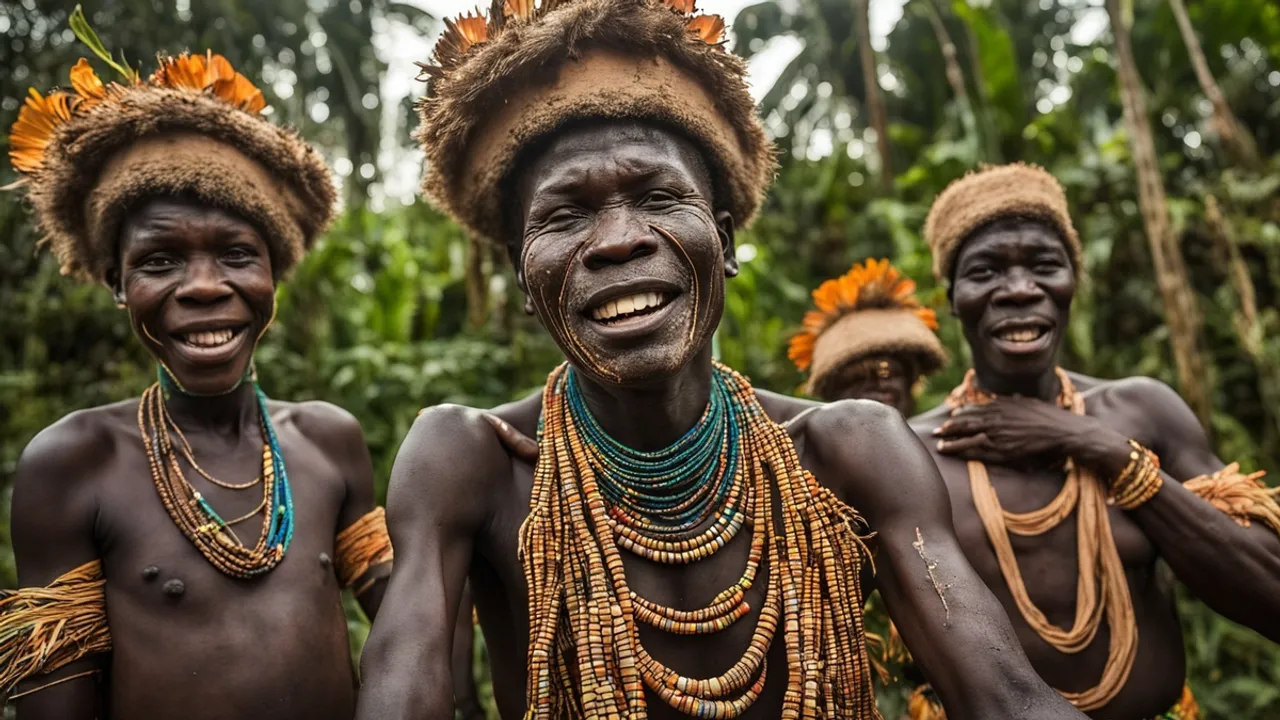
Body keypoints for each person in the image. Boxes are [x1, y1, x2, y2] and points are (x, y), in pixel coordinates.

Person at [357, 2, 1086, 718]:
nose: (617, 240)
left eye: (656, 195)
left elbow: (1006, 698)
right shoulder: (473, 462)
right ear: (523, 274)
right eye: (566, 213)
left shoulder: (847, 453)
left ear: (727, 242)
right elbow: (405, 687)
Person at [1, 50, 395, 719]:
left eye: (238, 254)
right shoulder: (73, 463)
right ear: (118, 285)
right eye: (160, 261)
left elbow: (412, 624)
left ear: (275, 272)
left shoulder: (330, 441)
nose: (207, 287)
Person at [908, 162, 1280, 719]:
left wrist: (1099, 447)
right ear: (953, 296)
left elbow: (1270, 593)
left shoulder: (1142, 413)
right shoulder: (914, 452)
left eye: (1044, 266)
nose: (1019, 290)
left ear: (1071, 282)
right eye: (985, 271)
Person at [788, 258, 946, 415]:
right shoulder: (799, 438)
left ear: (910, 381)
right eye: (858, 377)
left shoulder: (943, 434)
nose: (878, 385)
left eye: (887, 372)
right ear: (833, 390)